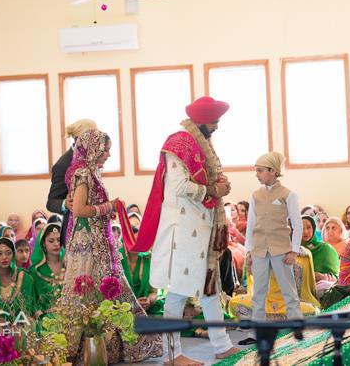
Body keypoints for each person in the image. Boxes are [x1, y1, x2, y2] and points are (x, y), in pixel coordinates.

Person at [127, 96, 238, 365]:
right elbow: (178, 187)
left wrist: (218, 185)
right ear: (202, 120)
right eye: (215, 121)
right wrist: (213, 190)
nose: (217, 126)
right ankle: (171, 355)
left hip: (202, 230)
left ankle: (221, 346)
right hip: (182, 233)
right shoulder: (177, 144)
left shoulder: (203, 144)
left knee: (210, 290)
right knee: (177, 293)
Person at [58, 129, 161, 363]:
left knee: (108, 287)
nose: (109, 154)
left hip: (99, 240)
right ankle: (84, 348)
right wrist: (108, 207)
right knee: (88, 289)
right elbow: (79, 210)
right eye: (105, 150)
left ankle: (109, 347)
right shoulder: (83, 174)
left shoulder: (93, 173)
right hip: (87, 245)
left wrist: (109, 207)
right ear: (93, 149)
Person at [246, 151, 303, 325]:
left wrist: (294, 250)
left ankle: (297, 327)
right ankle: (258, 330)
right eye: (256, 171)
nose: (257, 175)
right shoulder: (255, 195)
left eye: (260, 171)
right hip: (259, 250)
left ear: (272, 171)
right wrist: (248, 250)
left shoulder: (288, 195)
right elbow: (251, 224)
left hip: (281, 250)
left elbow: (297, 224)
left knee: (289, 291)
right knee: (258, 292)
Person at [228, 245, 320, 320]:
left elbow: (299, 287)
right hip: (265, 301)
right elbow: (254, 277)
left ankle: (265, 320)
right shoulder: (258, 250)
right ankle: (279, 320)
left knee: (311, 311)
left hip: (288, 302)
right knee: (234, 302)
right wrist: (250, 264)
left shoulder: (299, 254)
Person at [47, 119, 98, 246]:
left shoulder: (93, 158)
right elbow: (51, 202)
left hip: (94, 227)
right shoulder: (63, 164)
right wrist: (65, 204)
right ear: (79, 139)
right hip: (74, 231)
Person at [30, 223, 65, 315]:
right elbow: (33, 300)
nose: (56, 244)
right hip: (46, 317)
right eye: (51, 241)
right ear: (43, 243)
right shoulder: (36, 270)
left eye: (59, 240)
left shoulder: (69, 264)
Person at [301, 215, 339, 295]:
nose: (305, 232)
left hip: (322, 293)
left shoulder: (326, 249)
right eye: (301, 228)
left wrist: (323, 277)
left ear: (314, 228)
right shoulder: (293, 251)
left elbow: (337, 277)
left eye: (308, 227)